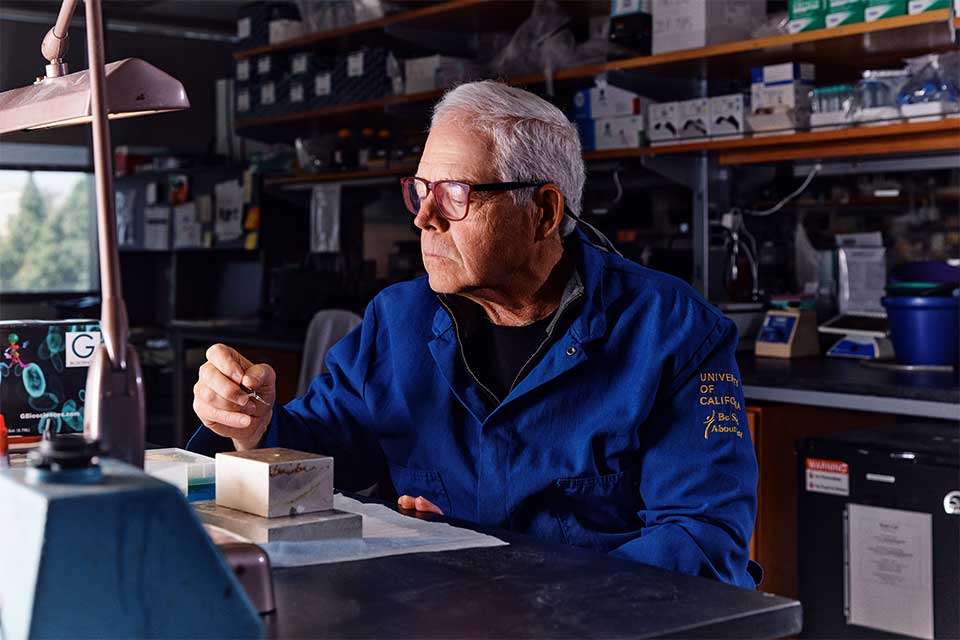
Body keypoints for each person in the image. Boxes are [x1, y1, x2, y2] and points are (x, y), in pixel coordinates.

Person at [189, 81, 759, 588]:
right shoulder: (398, 321)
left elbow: (702, 541)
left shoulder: (674, 333)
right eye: (421, 190)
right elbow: (316, 454)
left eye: (456, 193)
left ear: (543, 211)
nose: (424, 217)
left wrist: (517, 587)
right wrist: (255, 426)